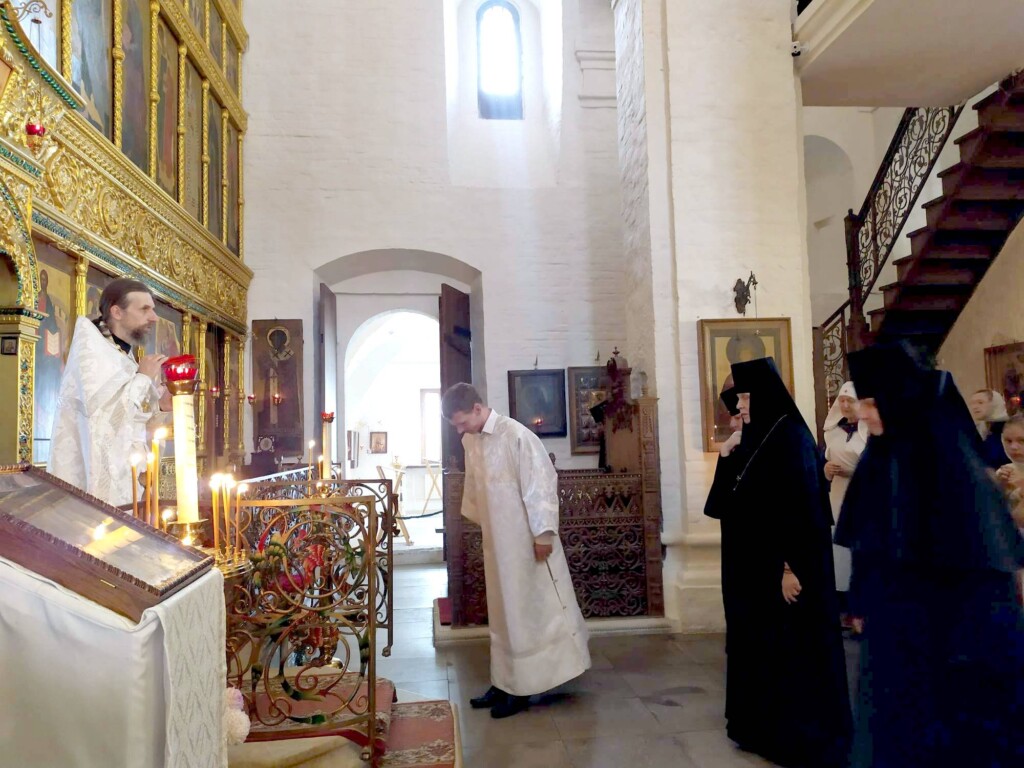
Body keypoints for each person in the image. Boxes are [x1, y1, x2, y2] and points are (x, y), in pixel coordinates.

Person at [836, 342, 1024, 768]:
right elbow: (871, 539)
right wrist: (865, 598)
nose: (863, 413)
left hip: (951, 652)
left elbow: (982, 584)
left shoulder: (954, 469)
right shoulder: (884, 456)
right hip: (893, 642)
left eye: (872, 402)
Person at [704, 359, 851, 768]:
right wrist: (726, 456)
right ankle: (755, 727)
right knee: (755, 649)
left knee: (789, 653)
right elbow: (722, 505)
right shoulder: (754, 437)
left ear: (763, 395)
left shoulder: (791, 437)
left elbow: (799, 512)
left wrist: (787, 569)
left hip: (781, 572)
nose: (739, 406)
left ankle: (793, 736)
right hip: (750, 571)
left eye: (744, 398)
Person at [441, 382, 590, 719]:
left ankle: (523, 687)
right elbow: (476, 488)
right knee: (503, 613)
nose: (460, 430)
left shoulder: (517, 436)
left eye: (462, 422)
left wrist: (543, 535)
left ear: (478, 408)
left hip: (526, 543)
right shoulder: (471, 440)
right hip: (498, 543)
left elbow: (541, 486)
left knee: (528, 612)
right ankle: (504, 680)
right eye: (455, 425)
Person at [48, 278, 171, 507]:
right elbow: (103, 421)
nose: (154, 317)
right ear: (117, 312)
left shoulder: (121, 354)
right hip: (95, 487)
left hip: (130, 482)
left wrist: (161, 406)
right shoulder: (93, 355)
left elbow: (132, 425)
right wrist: (143, 379)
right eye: (144, 309)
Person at [822, 381, 868, 621]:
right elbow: (823, 460)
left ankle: (858, 606)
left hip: (862, 497)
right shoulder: (833, 431)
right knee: (838, 550)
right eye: (842, 400)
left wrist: (855, 472)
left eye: (850, 400)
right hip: (837, 496)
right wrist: (826, 469)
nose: (845, 405)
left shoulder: (868, 431)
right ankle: (841, 605)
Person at [969, 388, 1010, 467]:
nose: (975, 407)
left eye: (980, 402)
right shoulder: (978, 429)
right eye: (972, 403)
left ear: (994, 404)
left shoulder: (1008, 428)